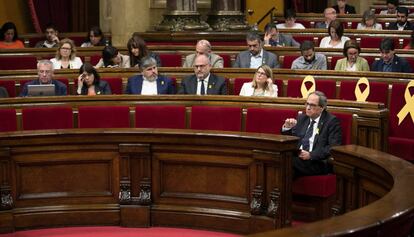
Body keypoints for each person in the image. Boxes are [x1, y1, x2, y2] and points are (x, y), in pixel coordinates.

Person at [281, 91, 342, 177]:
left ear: (322, 108)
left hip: (317, 161)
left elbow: (333, 147)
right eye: (307, 104)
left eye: (312, 105)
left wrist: (311, 155)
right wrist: (287, 128)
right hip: (298, 158)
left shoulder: (331, 121)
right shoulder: (302, 118)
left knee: (287, 162)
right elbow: (291, 140)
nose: (308, 108)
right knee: (284, 164)